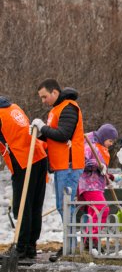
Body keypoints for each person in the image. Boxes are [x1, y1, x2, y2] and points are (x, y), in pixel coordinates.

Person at [0, 97, 47, 260]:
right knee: (34, 205)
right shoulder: (13, 107)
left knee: (22, 206)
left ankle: (21, 248)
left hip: (23, 160)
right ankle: (30, 246)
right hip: (39, 155)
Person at [31, 79, 84, 222]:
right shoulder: (56, 110)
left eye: (44, 96)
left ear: (54, 92)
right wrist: (37, 137)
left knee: (65, 207)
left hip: (69, 165)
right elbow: (53, 136)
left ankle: (71, 243)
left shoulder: (68, 107)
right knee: (64, 206)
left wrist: (42, 127)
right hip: (61, 165)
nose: (43, 101)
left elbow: (63, 135)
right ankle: (70, 242)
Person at [79, 124, 118, 251]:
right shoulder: (90, 146)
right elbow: (82, 163)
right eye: (110, 140)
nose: (111, 144)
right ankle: (92, 239)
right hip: (89, 185)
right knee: (101, 209)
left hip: (96, 185)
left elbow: (100, 169)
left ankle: (89, 242)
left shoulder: (102, 149)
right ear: (104, 137)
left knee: (93, 212)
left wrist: (107, 176)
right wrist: (97, 164)